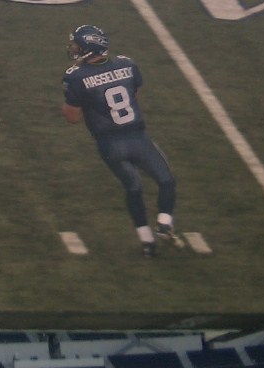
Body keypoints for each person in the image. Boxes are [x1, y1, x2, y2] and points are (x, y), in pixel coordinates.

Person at [61, 24, 177, 257]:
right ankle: (164, 222)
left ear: (89, 47)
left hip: (110, 144)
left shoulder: (76, 76)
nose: (73, 48)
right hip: (137, 137)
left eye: (76, 45)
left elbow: (73, 118)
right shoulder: (127, 64)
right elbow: (134, 95)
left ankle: (146, 241)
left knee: (133, 187)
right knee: (166, 181)